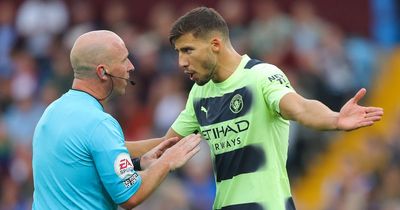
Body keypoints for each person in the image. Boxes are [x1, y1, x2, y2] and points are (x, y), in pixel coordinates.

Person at [132, 7, 383, 210]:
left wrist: (335, 118)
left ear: (215, 44)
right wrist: (108, 150)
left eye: (187, 50)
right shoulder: (200, 93)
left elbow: (300, 108)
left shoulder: (261, 76)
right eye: (177, 53)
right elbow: (166, 145)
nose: (181, 62)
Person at [32, 30, 201, 210]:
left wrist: (139, 163)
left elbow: (89, 158)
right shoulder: (99, 123)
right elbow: (131, 196)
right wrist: (167, 161)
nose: (131, 66)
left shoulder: (52, 111)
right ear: (103, 72)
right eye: (123, 60)